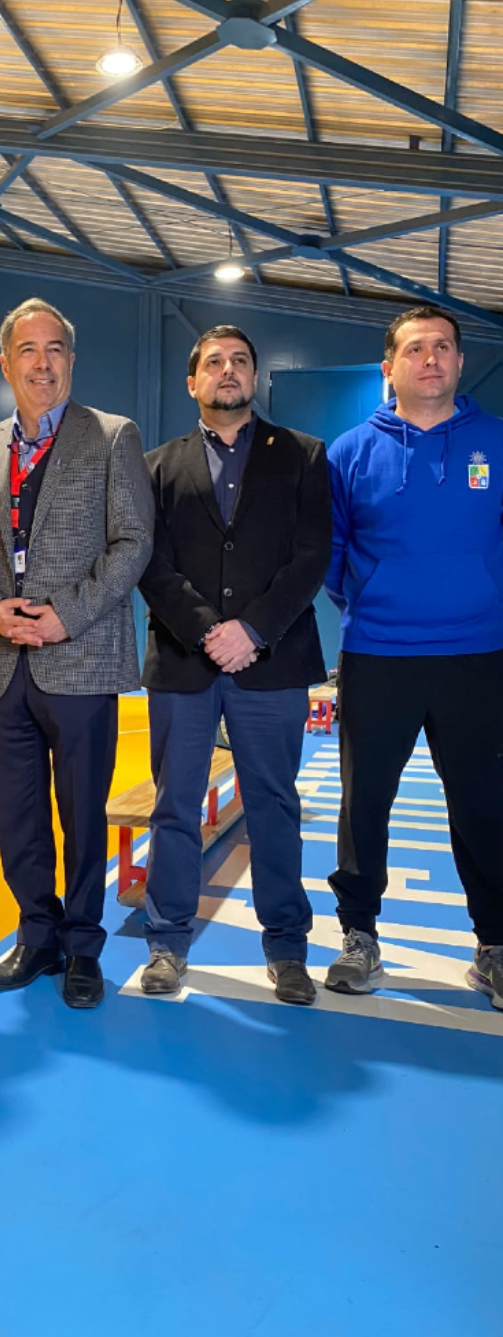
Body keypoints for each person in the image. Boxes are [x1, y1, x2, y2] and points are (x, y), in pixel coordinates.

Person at [0, 298, 154, 1009]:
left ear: (72, 359)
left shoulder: (112, 436)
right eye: (28, 351)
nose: (43, 363)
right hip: (1, 662)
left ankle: (83, 943)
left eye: (55, 349)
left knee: (83, 812)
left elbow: (133, 543)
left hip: (81, 657)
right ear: (5, 364)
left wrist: (63, 617)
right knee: (18, 814)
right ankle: (36, 935)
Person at [139, 326, 331, 1004]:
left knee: (276, 806)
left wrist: (251, 629)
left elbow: (311, 557)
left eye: (240, 361)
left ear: (255, 378)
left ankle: (287, 947)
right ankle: (166, 940)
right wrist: (205, 631)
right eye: (214, 363)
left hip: (271, 665)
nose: (228, 371)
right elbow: (150, 563)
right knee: (174, 807)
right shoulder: (158, 466)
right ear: (192, 382)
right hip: (184, 666)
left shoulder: (304, 456)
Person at [325, 305, 503, 1008]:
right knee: (365, 804)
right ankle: (359, 936)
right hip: (379, 655)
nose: (431, 359)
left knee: (485, 806)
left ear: (460, 362)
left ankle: (493, 944)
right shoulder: (349, 452)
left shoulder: (495, 440)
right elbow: (332, 555)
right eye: (416, 349)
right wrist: (375, 602)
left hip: (479, 657)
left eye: (444, 348)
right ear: (389, 368)